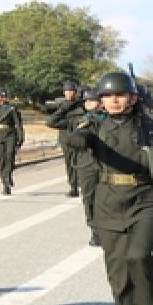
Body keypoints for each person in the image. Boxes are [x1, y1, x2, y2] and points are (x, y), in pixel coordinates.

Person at [67, 71, 153, 305]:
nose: (113, 100)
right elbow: (76, 138)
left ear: (133, 97)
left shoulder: (151, 125)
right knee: (120, 278)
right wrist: (79, 136)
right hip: (109, 202)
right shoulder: (93, 126)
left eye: (120, 94)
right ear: (100, 100)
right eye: (107, 96)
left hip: (147, 199)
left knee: (138, 256)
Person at [49, 88, 104, 246]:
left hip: (107, 164)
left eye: (92, 100)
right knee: (89, 198)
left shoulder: (109, 119)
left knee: (109, 198)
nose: (88, 103)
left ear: (100, 102)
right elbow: (51, 122)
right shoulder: (77, 119)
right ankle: (95, 230)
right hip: (86, 163)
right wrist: (66, 106)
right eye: (86, 101)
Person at [52, 81, 82, 197]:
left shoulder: (81, 104)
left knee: (81, 160)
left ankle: (82, 181)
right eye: (66, 91)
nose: (68, 93)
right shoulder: (61, 105)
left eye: (71, 91)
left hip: (80, 135)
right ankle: (73, 186)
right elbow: (53, 121)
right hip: (66, 136)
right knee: (69, 162)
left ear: (75, 92)